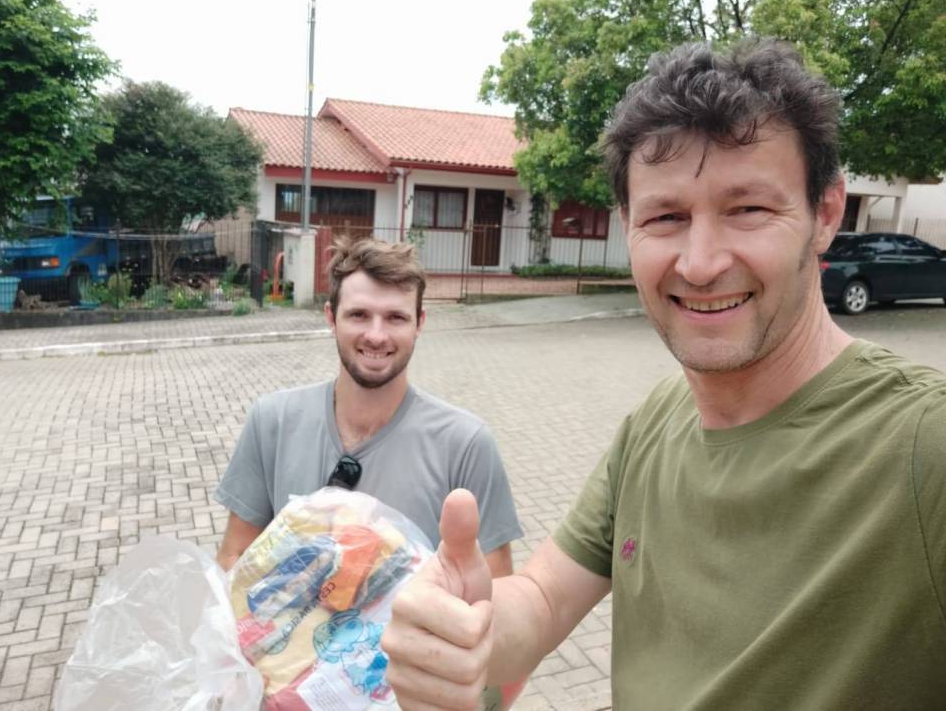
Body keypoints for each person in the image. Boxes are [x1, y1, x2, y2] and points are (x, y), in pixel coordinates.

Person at [382, 38, 946, 710]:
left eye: (748, 209)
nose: (700, 263)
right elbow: (543, 597)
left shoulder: (924, 447)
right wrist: (468, 631)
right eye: (666, 217)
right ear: (629, 226)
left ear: (824, 214)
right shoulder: (655, 421)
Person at [213, 235, 523, 578]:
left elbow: (494, 587)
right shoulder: (272, 421)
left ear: (419, 323)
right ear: (331, 318)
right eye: (359, 315)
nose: (376, 336)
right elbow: (234, 557)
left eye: (395, 317)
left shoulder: (466, 445)